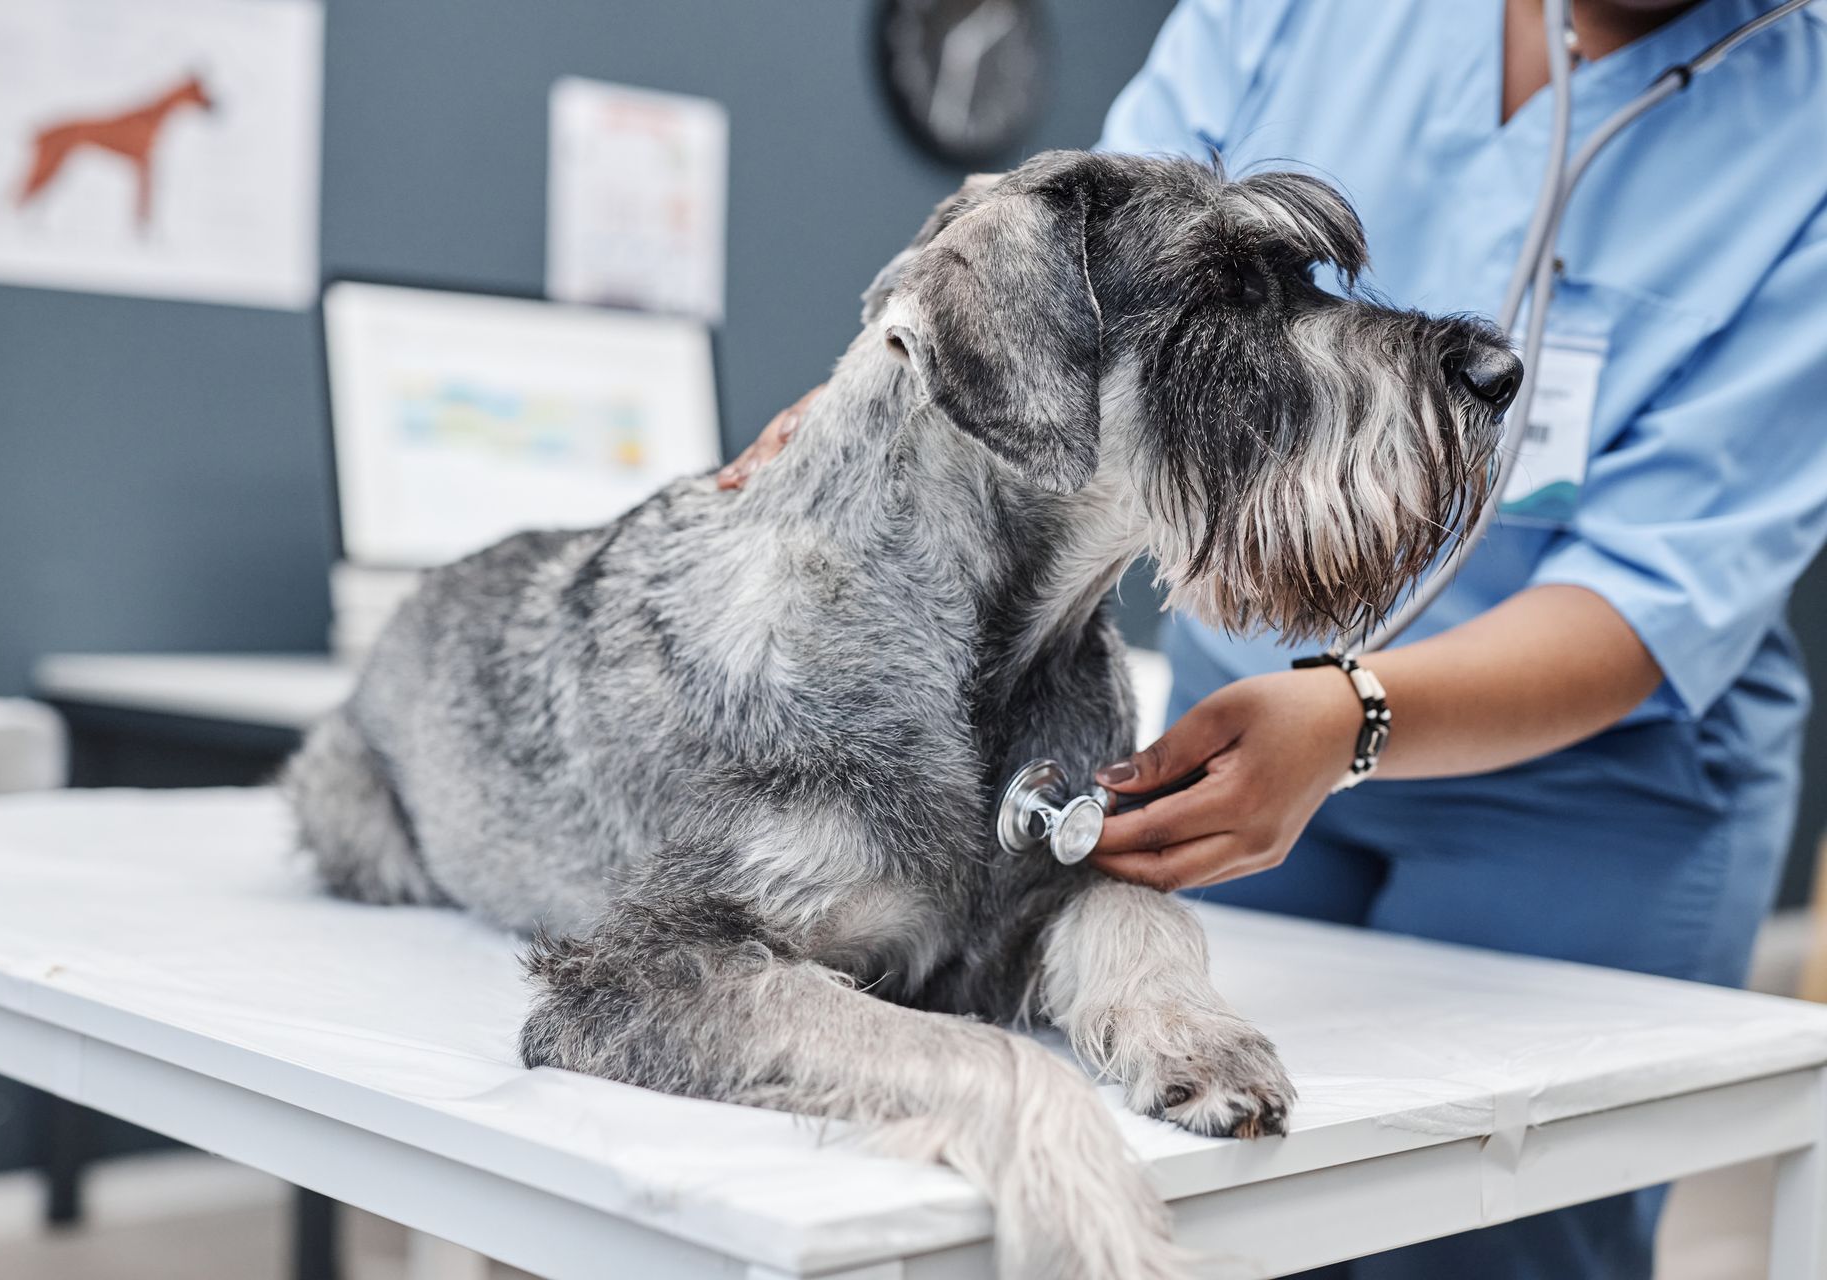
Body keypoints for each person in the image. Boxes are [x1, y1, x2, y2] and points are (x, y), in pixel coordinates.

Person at [724, 1, 1827, 1274]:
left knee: (1493, 1235)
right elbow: (1075, 266)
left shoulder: (1801, 136)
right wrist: (872, 397)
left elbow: (1656, 585)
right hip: (1233, 735)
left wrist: (1352, 715)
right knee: (1221, 1198)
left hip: (1582, 797)